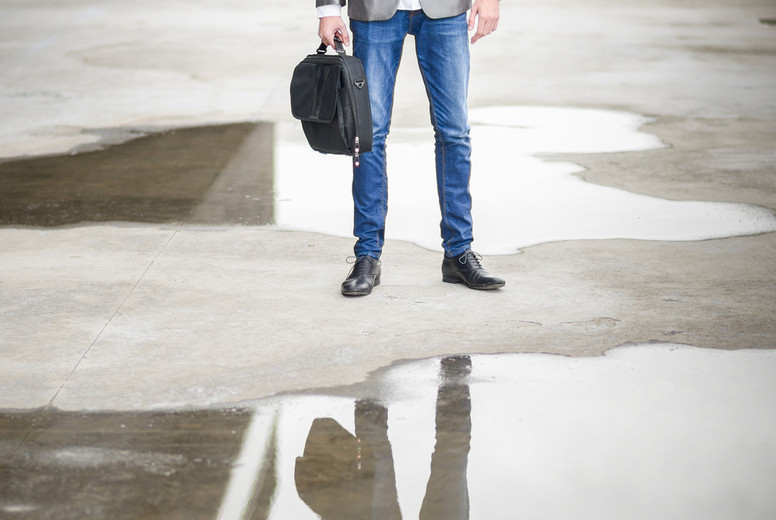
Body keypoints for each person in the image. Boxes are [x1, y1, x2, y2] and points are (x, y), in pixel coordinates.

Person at [317, 0, 505, 296]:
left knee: (454, 132)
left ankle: (458, 253)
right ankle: (367, 255)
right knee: (370, 134)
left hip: (445, 10)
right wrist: (328, 10)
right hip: (375, 9)